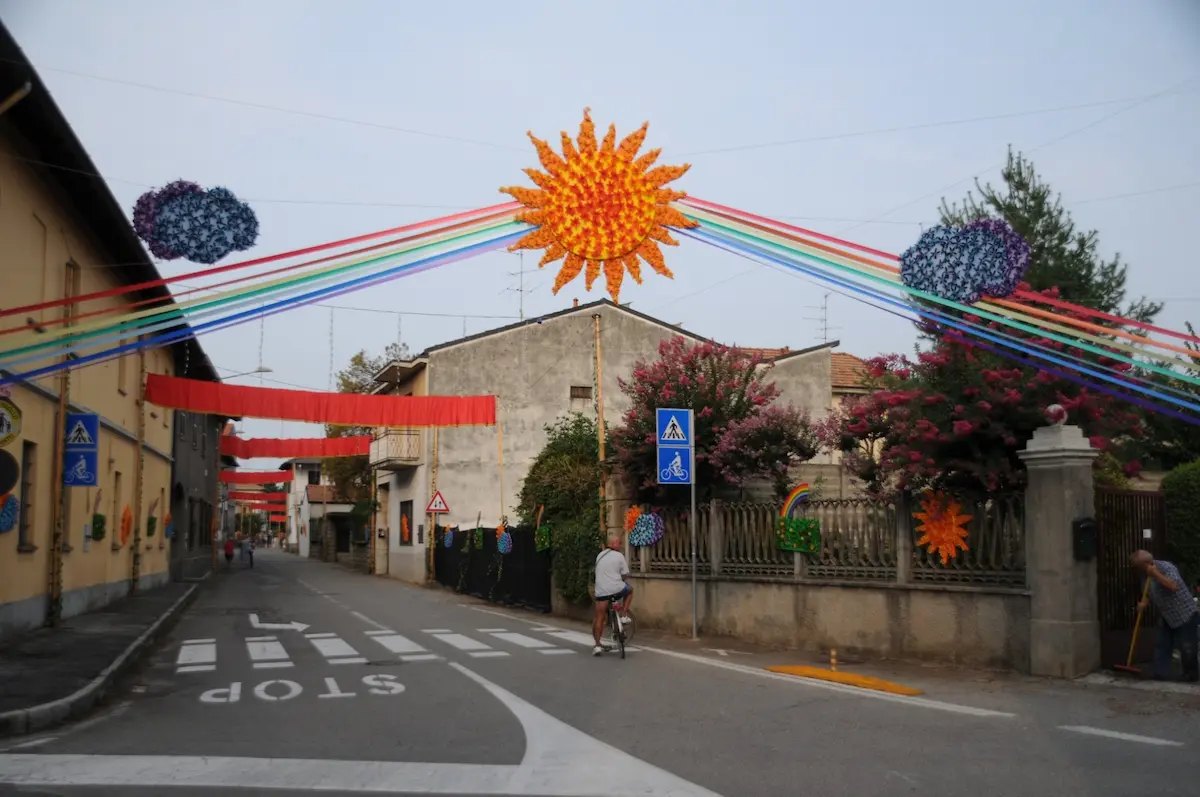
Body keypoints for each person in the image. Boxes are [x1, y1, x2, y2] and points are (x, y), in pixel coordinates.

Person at [1131, 550, 1198, 682]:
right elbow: (1148, 594)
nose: (1139, 569)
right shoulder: (1144, 576)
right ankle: (1160, 673)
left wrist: (1155, 574)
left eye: (1140, 566)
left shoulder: (1166, 567)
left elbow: (1173, 586)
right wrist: (1143, 603)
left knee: (1187, 646)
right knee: (1162, 644)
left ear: (1146, 563)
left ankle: (1191, 674)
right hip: (1167, 615)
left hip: (1185, 614)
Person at [592, 533, 633, 656]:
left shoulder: (600, 555)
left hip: (601, 592)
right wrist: (620, 579)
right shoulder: (619, 556)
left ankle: (597, 646)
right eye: (619, 542)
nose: (621, 545)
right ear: (612, 544)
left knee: (599, 617)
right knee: (630, 590)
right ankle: (623, 614)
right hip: (616, 589)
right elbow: (625, 575)